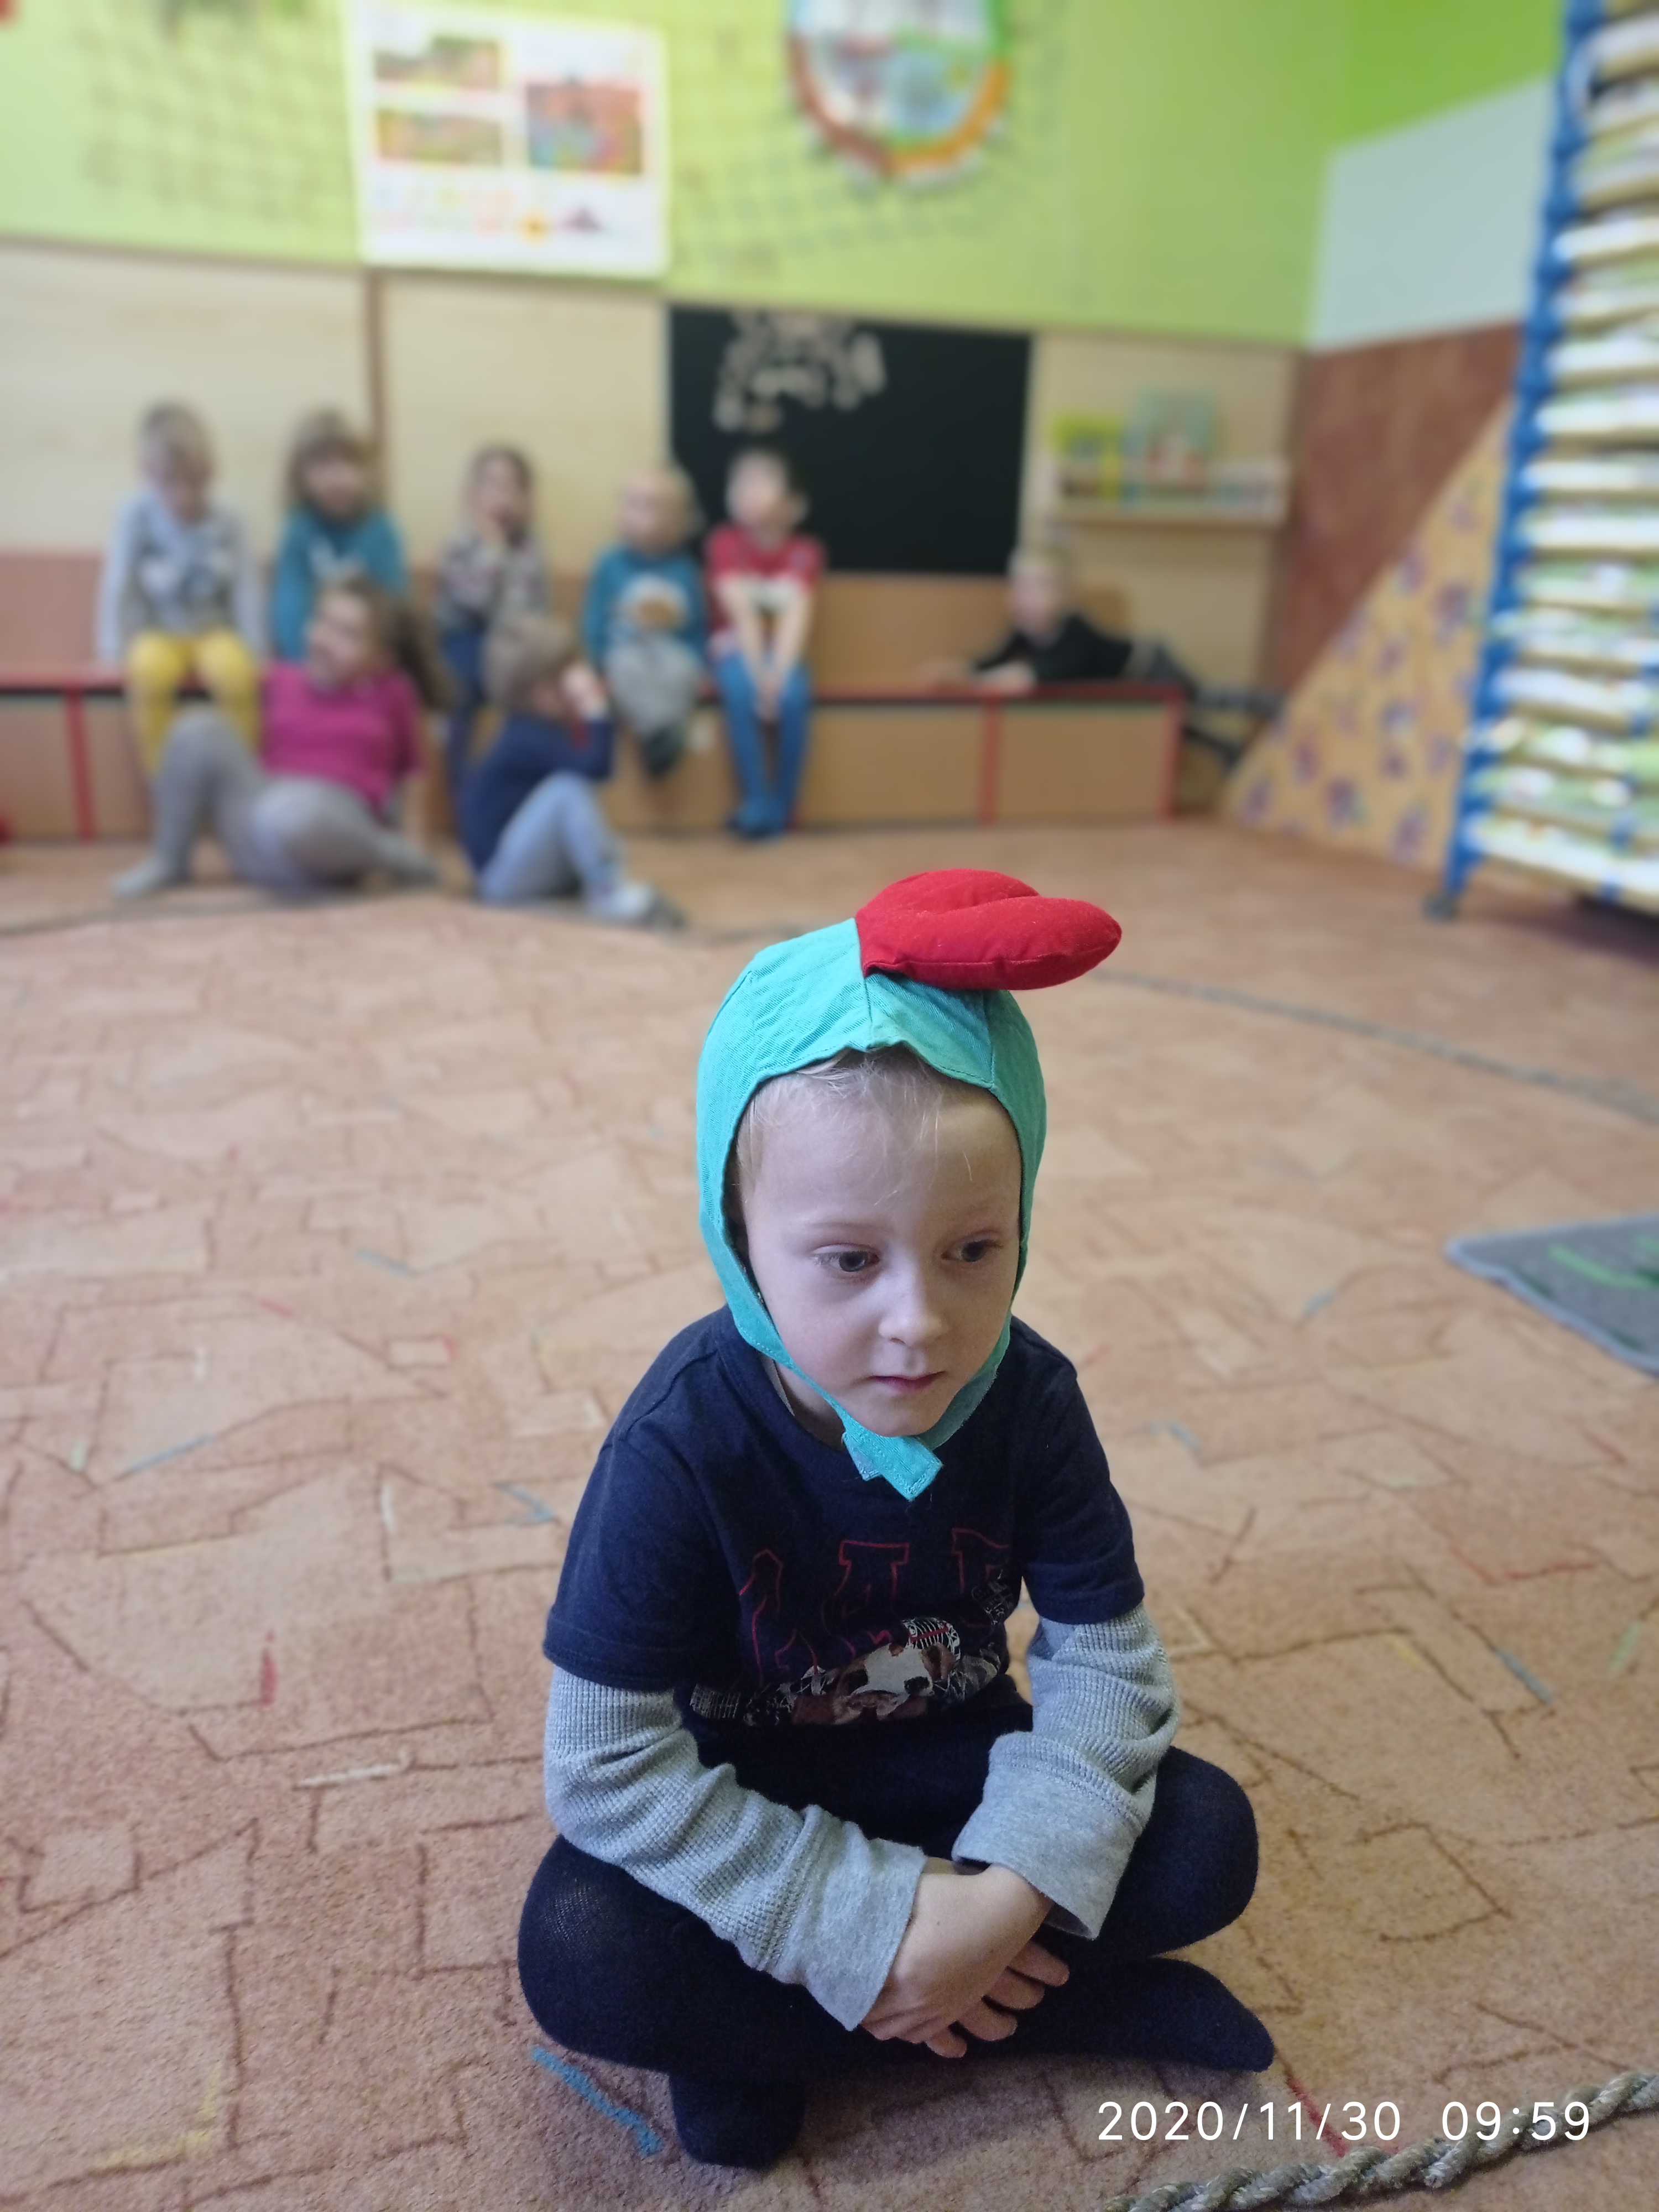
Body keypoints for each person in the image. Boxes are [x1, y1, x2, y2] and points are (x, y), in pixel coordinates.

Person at [518, 869, 1271, 2172]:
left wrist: (1007, 1890)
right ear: (739, 1238)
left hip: (956, 1771)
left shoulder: (1031, 1397)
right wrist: (844, 1916)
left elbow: (1109, 1668)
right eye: (849, 1259)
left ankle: (798, 2036)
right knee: (582, 1948)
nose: (918, 1323)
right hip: (744, 1791)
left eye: (972, 1249)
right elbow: (605, 1763)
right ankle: (1035, 2006)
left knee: (1207, 1836)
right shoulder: (679, 1439)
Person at [113, 575, 440, 899]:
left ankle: (391, 855)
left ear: (382, 659)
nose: (326, 639)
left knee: (294, 814)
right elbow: (247, 757)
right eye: (324, 621)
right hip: (258, 817)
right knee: (197, 729)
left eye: (349, 634)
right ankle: (169, 860)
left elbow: (413, 773)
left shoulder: (392, 691)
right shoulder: (283, 678)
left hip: (331, 825)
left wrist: (416, 844)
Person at [458, 612, 665, 926]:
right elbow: (594, 769)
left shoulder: (538, 729)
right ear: (544, 695)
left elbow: (597, 771)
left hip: (511, 871)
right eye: (566, 680)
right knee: (567, 789)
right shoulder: (526, 736)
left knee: (600, 833)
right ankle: (607, 893)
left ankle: (600, 886)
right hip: (500, 879)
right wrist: (594, 708)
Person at [97, 402, 264, 776]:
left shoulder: (231, 517)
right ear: (147, 473)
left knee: (238, 674)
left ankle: (240, 776)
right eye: (170, 482)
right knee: (148, 672)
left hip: (214, 631)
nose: (184, 495)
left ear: (213, 471)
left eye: (196, 481)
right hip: (158, 633)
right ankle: (163, 779)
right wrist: (111, 648)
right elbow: (119, 582)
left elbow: (247, 587)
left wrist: (256, 646)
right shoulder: (134, 514)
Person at [705, 447, 822, 838]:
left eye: (761, 480)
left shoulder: (806, 552)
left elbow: (797, 617)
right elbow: (744, 617)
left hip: (782, 654)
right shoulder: (725, 543)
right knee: (740, 691)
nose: (747, 490)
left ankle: (786, 806)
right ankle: (757, 802)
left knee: (796, 694)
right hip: (736, 648)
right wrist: (759, 678)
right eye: (740, 481)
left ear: (793, 505)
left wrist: (779, 675)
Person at [434, 445, 552, 799]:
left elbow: (531, 610)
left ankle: (525, 791)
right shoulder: (458, 544)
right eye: (492, 486)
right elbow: (474, 601)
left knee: (540, 689)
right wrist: (494, 550)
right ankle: (463, 791)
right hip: (464, 637)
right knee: (459, 686)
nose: (503, 497)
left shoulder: (531, 548)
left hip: (514, 643)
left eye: (514, 488)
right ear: (471, 497)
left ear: (528, 502)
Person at [582, 465, 708, 780]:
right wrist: (597, 658)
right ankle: (660, 736)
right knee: (625, 665)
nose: (644, 515)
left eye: (655, 506)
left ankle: (663, 734)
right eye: (634, 504)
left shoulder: (685, 569)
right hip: (625, 649)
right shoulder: (609, 564)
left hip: (670, 651)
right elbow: (594, 618)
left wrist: (698, 661)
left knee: (682, 668)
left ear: (678, 519)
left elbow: (697, 626)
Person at [270, 410, 408, 664]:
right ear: (300, 476)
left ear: (367, 470)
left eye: (349, 462)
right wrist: (308, 664)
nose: (336, 476)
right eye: (322, 464)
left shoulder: (381, 529)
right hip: (311, 663)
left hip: (368, 664)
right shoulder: (299, 529)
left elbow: (393, 609)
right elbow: (289, 609)